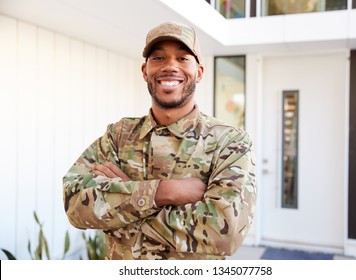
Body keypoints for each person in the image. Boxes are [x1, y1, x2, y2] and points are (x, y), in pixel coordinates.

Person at [63, 21, 257, 260]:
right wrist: (163, 192)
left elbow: (224, 234)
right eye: (158, 58)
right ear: (145, 71)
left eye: (183, 58)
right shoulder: (119, 135)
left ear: (199, 72)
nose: (170, 66)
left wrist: (125, 200)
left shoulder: (229, 142)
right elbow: (75, 206)